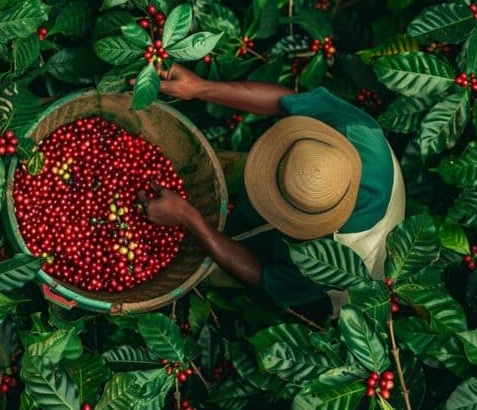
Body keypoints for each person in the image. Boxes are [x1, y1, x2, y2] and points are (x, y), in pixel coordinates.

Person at [136, 64, 405, 315]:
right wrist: (200, 87)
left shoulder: (323, 267)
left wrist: (188, 218)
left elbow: (261, 276)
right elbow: (287, 102)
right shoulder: (357, 134)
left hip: (316, 276)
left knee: (209, 261)